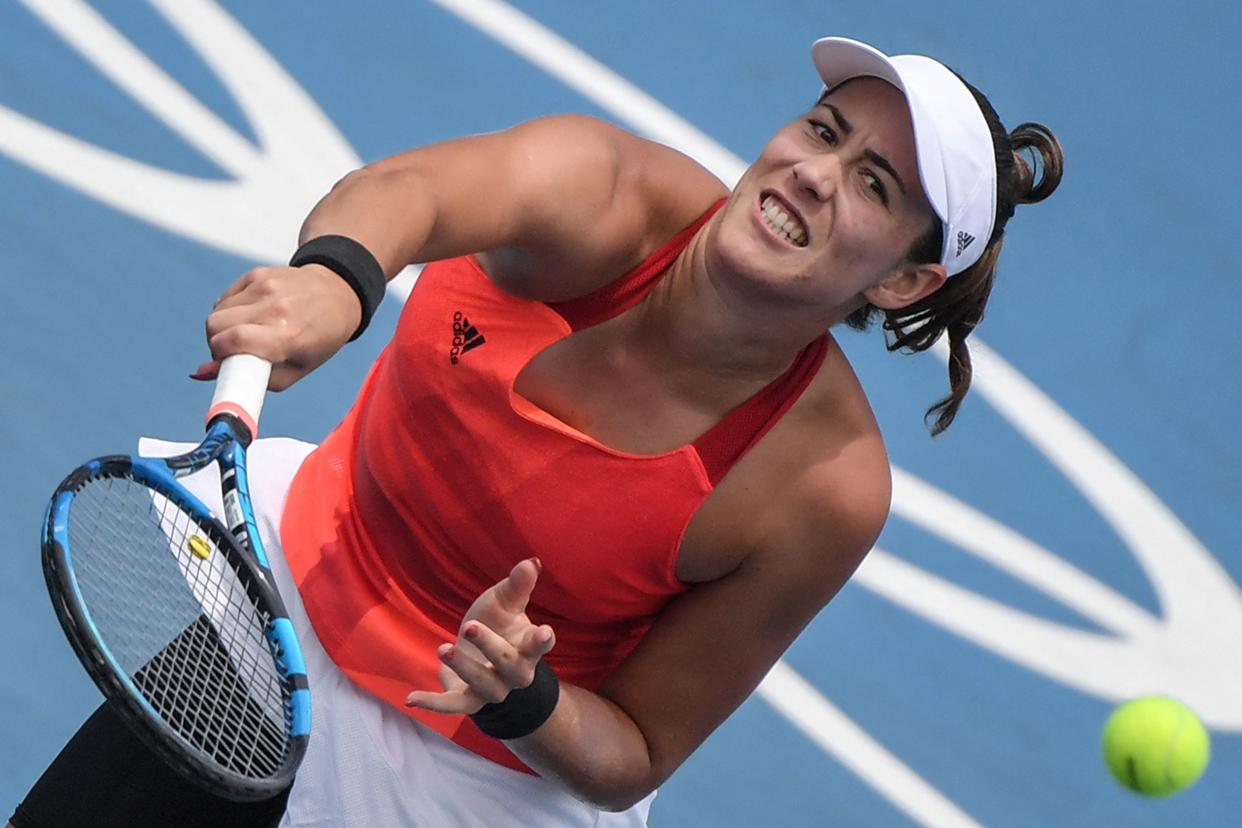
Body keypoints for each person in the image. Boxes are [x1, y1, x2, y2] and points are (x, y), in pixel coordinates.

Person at [10, 36, 1063, 827]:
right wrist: (337, 282)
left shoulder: (815, 487)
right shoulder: (607, 195)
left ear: (904, 279)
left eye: (873, 187)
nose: (814, 174)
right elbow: (407, 192)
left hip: (468, 785)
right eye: (824, 131)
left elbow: (637, 747)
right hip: (287, 603)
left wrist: (527, 698)